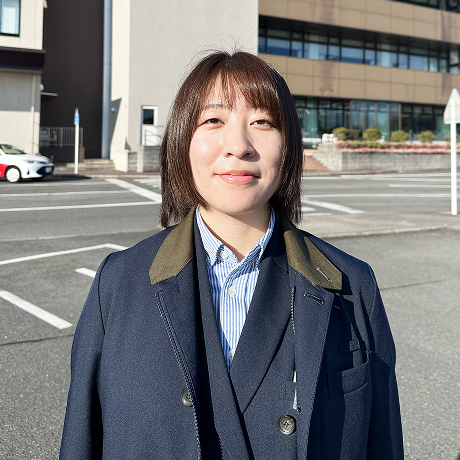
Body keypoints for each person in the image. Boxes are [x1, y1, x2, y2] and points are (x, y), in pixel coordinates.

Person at [59, 51, 404, 460]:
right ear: (182, 141)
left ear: (288, 145)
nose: (238, 146)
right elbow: (81, 440)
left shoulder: (352, 285)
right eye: (213, 120)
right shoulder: (118, 282)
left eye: (262, 122)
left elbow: (382, 443)